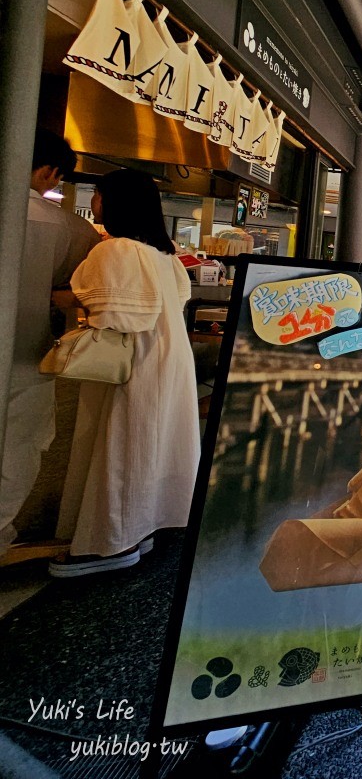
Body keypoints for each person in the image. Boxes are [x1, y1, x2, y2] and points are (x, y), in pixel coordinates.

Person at [50, 169, 201, 576]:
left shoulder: (116, 250)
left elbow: (111, 312)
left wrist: (55, 294)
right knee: (150, 444)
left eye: (97, 195)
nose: (95, 201)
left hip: (134, 361)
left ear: (111, 202)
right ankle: (140, 528)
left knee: (122, 446)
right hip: (168, 359)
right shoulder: (166, 255)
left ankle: (109, 543)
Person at [0, 134, 100, 561]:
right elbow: (84, 285)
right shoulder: (66, 227)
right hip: (27, 355)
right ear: (50, 173)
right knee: (20, 447)